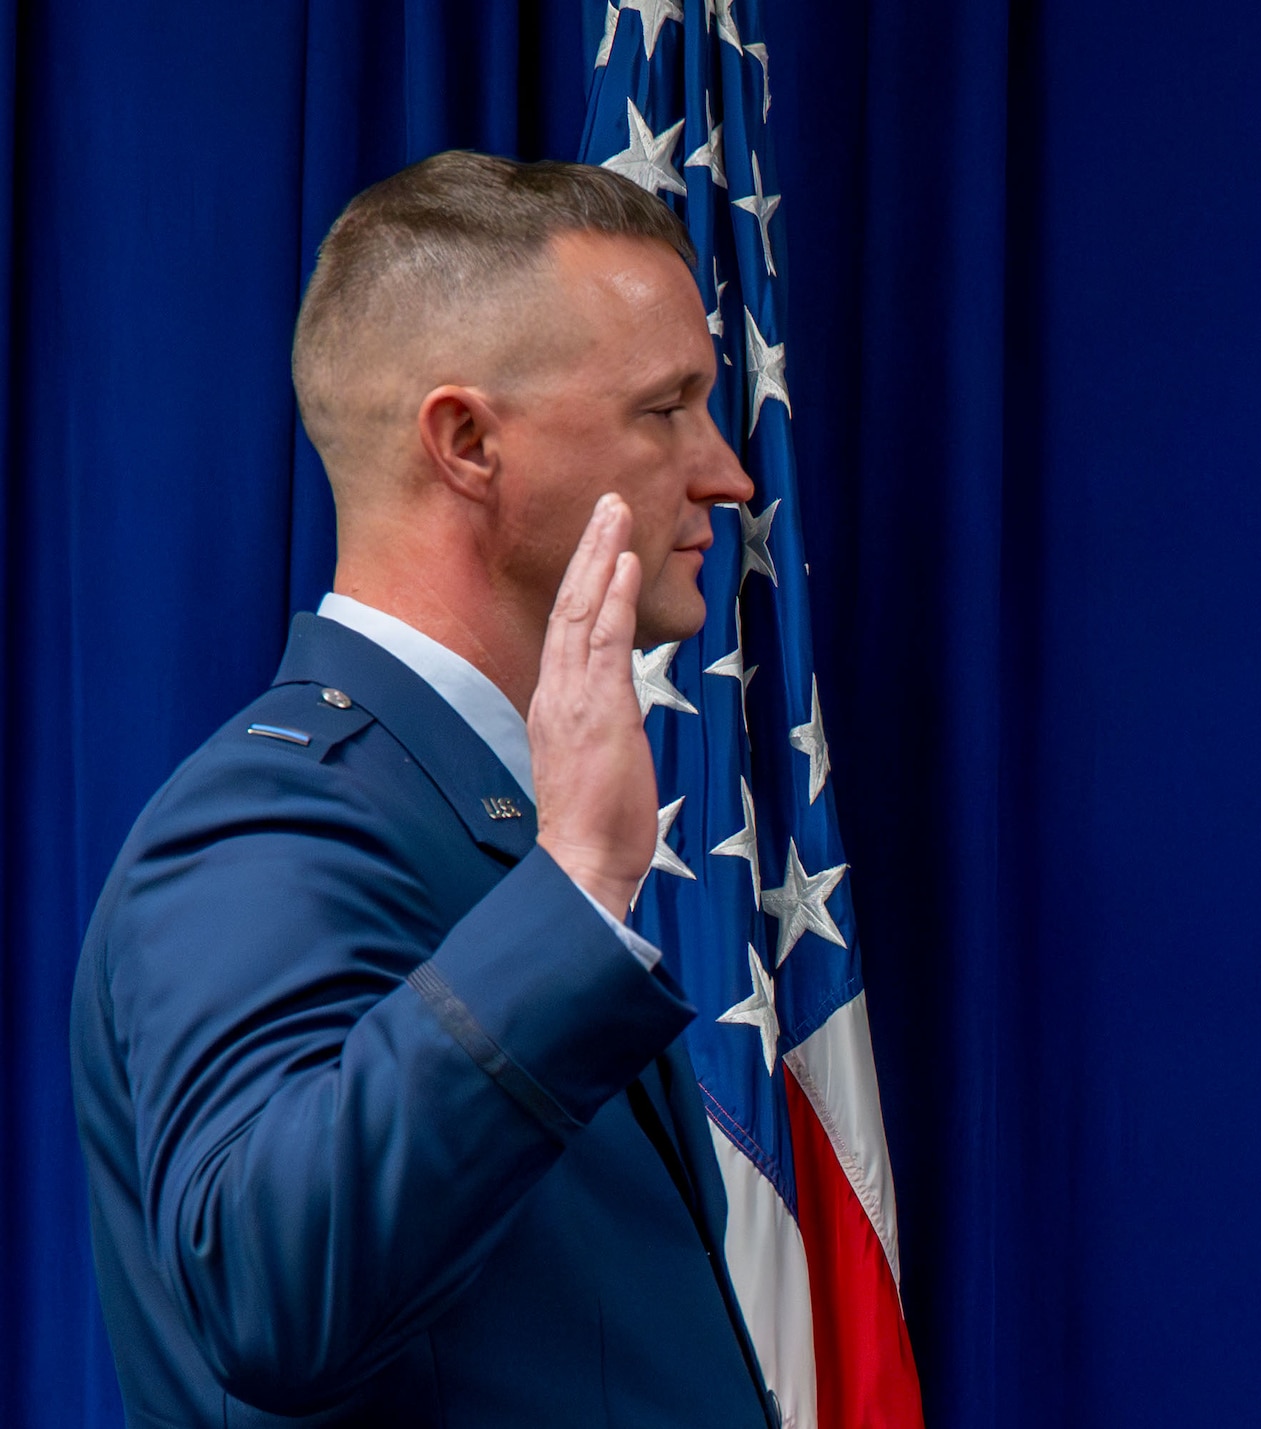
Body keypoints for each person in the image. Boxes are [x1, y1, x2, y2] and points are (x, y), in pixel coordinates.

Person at [69, 151, 777, 1427]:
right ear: (463, 442)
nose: (727, 474)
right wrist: (573, 893)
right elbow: (266, 1290)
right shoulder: (272, 826)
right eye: (664, 409)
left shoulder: (462, 809)